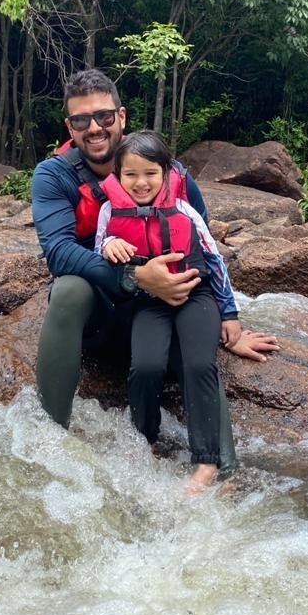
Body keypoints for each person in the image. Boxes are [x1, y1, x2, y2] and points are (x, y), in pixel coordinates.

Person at [31, 68, 280, 475]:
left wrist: (226, 320)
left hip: (167, 303)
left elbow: (201, 248)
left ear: (122, 117)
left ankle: (223, 471)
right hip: (106, 311)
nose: (95, 128)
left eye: (105, 117)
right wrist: (134, 277)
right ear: (69, 127)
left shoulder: (169, 172)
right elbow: (58, 252)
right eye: (81, 120)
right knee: (68, 290)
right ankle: (48, 440)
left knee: (191, 339)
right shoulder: (53, 175)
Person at [96, 130, 240, 491]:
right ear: (117, 176)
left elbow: (214, 260)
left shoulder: (184, 208)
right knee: (145, 365)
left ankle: (206, 462)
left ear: (165, 174)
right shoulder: (109, 210)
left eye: (150, 173)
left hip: (197, 295)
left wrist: (230, 314)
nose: (140, 183)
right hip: (149, 303)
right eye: (130, 175)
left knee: (197, 364)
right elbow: (100, 248)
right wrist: (111, 244)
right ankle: (145, 438)